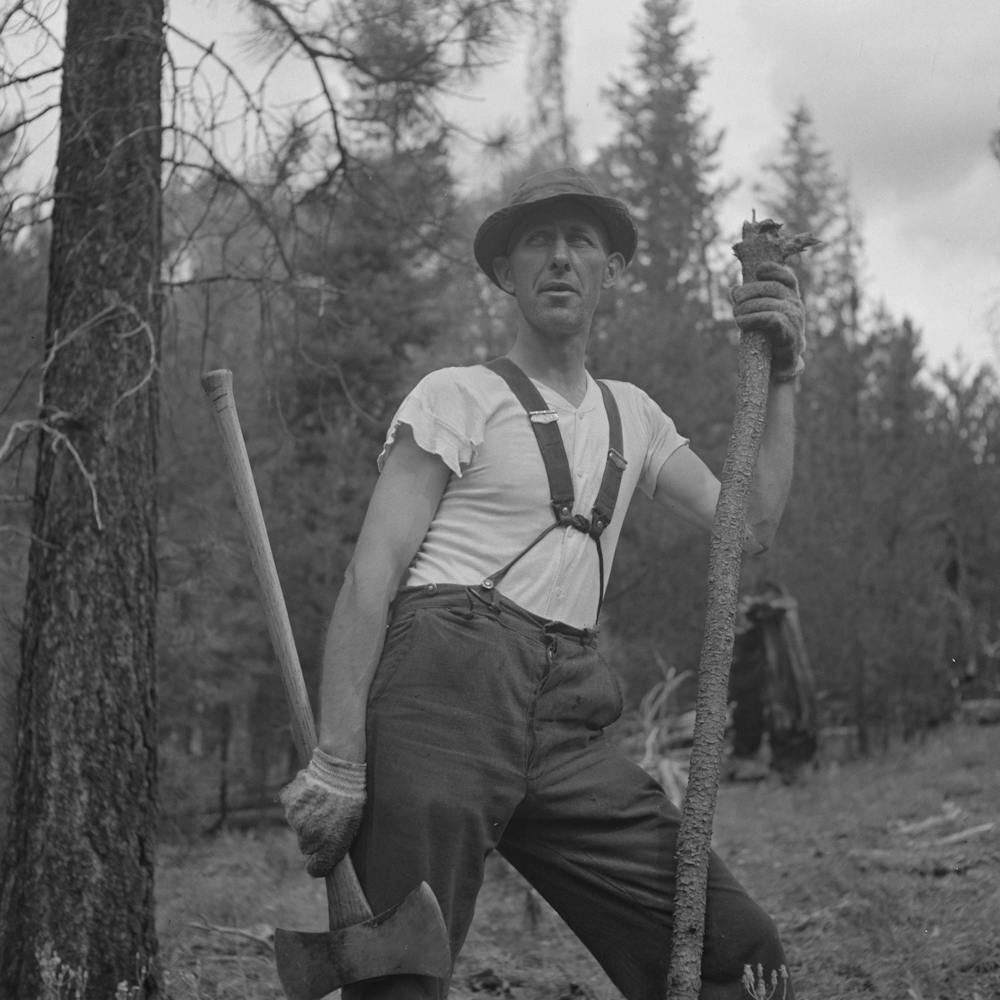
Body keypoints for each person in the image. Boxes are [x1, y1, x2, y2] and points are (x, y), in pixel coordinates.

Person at [280, 167, 803, 1000]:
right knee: (400, 979)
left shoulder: (636, 415)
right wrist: (340, 759)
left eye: (581, 242)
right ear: (506, 274)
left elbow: (752, 526)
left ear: (611, 270)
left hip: (566, 715)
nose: (560, 258)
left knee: (735, 951)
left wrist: (779, 379)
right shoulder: (457, 395)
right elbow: (370, 574)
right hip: (439, 696)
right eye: (537, 243)